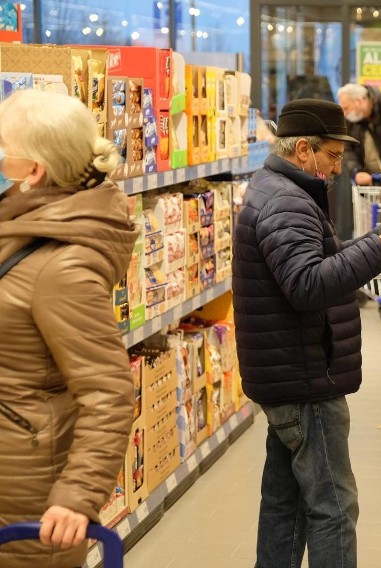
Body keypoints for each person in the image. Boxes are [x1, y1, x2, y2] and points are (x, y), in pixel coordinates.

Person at [232, 99, 381, 568]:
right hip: (304, 378)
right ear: (302, 150)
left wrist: (370, 245)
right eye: (332, 156)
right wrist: (378, 250)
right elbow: (307, 284)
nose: (338, 167)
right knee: (334, 507)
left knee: (285, 504)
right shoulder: (286, 201)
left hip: (289, 373)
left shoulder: (279, 189)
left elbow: (314, 264)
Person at [0, 90, 137, 568]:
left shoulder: (63, 267)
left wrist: (76, 494)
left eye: (3, 149)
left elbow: (109, 390)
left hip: (28, 502)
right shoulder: (24, 222)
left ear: (33, 170)